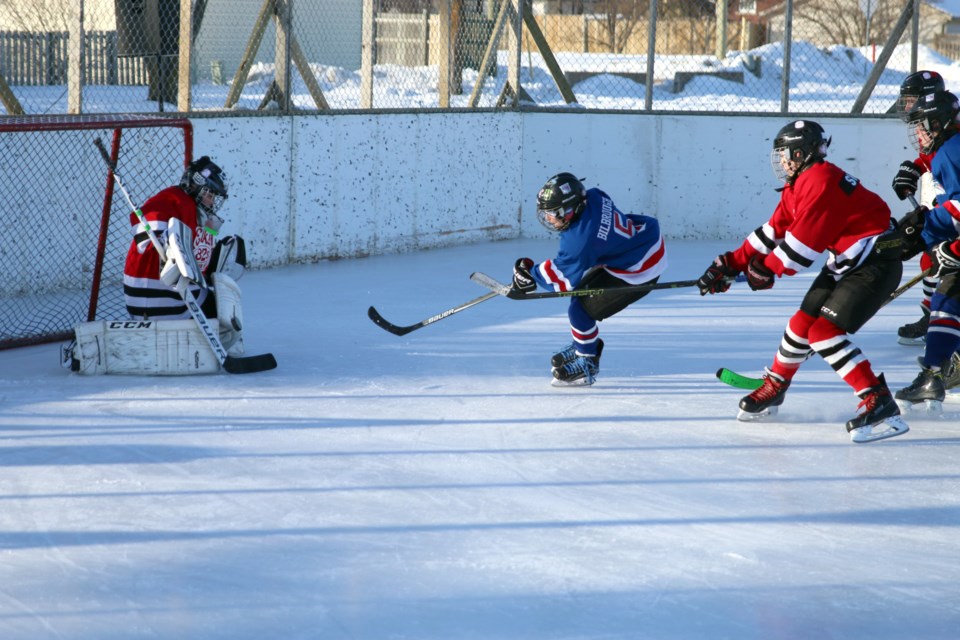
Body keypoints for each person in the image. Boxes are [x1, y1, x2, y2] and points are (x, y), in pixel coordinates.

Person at [697, 120, 908, 443]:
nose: (782, 162)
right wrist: (730, 262)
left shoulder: (821, 181)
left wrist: (761, 270)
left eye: (785, 155)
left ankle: (878, 400)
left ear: (801, 152)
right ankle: (776, 385)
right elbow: (772, 231)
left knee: (823, 333)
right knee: (801, 324)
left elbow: (798, 253)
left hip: (874, 265)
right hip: (848, 262)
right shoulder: (801, 183)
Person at [510, 172, 667, 385]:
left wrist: (530, 275)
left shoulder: (580, 242)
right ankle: (584, 343)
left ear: (569, 210)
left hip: (641, 269)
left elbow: (561, 280)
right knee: (582, 295)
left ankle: (588, 361)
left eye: (552, 213)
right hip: (644, 240)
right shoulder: (593, 196)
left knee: (579, 310)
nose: (548, 218)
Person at [123, 155, 247, 353]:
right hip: (154, 296)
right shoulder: (171, 199)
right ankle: (215, 346)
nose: (212, 200)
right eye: (209, 193)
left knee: (221, 298)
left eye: (215, 196)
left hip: (162, 296)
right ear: (196, 186)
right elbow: (144, 233)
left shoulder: (198, 212)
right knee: (223, 316)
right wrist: (165, 245)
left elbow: (197, 262)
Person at [894, 90, 960, 410]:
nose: (918, 133)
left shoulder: (951, 151)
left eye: (923, 126)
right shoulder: (950, 147)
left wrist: (931, 228)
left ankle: (936, 373)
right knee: (948, 295)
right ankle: (935, 373)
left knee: (948, 295)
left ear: (939, 122)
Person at [890, 70, 946, 345]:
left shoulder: (947, 128)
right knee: (930, 257)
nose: (907, 105)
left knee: (941, 260)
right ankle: (932, 317)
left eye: (913, 99)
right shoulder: (931, 124)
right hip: (949, 203)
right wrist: (912, 168)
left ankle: (940, 320)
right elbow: (929, 157)